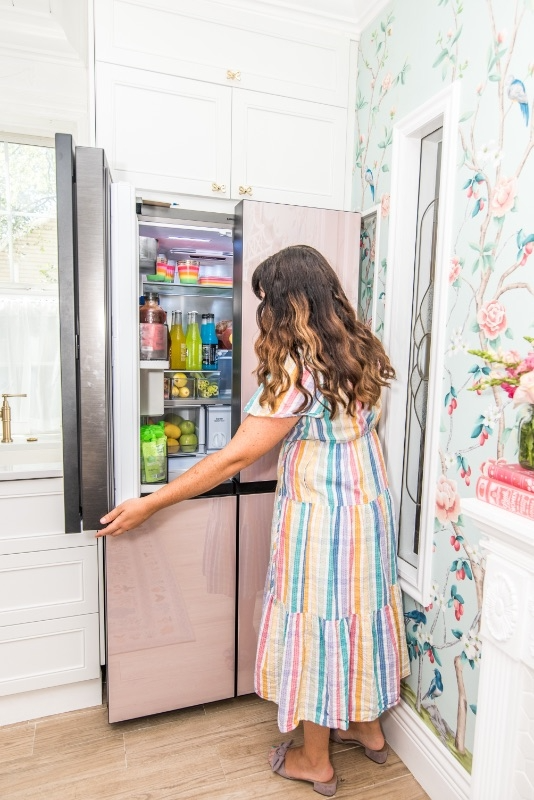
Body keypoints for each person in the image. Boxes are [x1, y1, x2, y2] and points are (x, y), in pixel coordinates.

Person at [97, 245, 410, 797]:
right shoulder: (356, 345)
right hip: (369, 509)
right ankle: (368, 729)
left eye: (266, 301)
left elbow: (237, 456)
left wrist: (151, 501)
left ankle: (315, 760)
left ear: (289, 302)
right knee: (360, 614)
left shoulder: (297, 366)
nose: (262, 312)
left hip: (324, 519)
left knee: (319, 628)